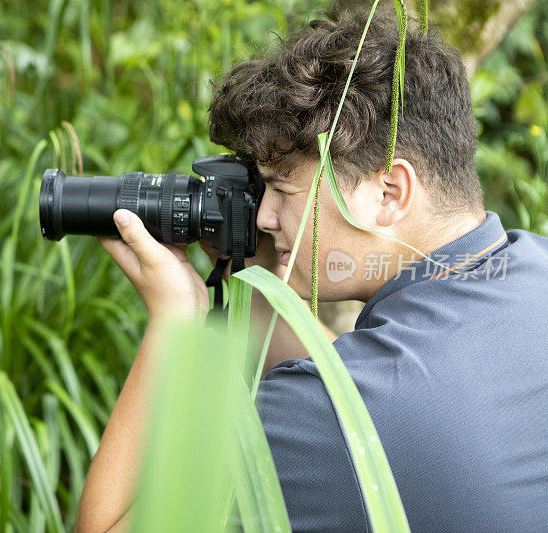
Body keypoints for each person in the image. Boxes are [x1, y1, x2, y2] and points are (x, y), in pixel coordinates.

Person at [75, 9, 548, 532]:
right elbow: (381, 377)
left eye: (282, 189)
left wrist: (173, 322)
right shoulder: (534, 267)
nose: (263, 216)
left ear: (389, 192)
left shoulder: (323, 421)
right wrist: (254, 279)